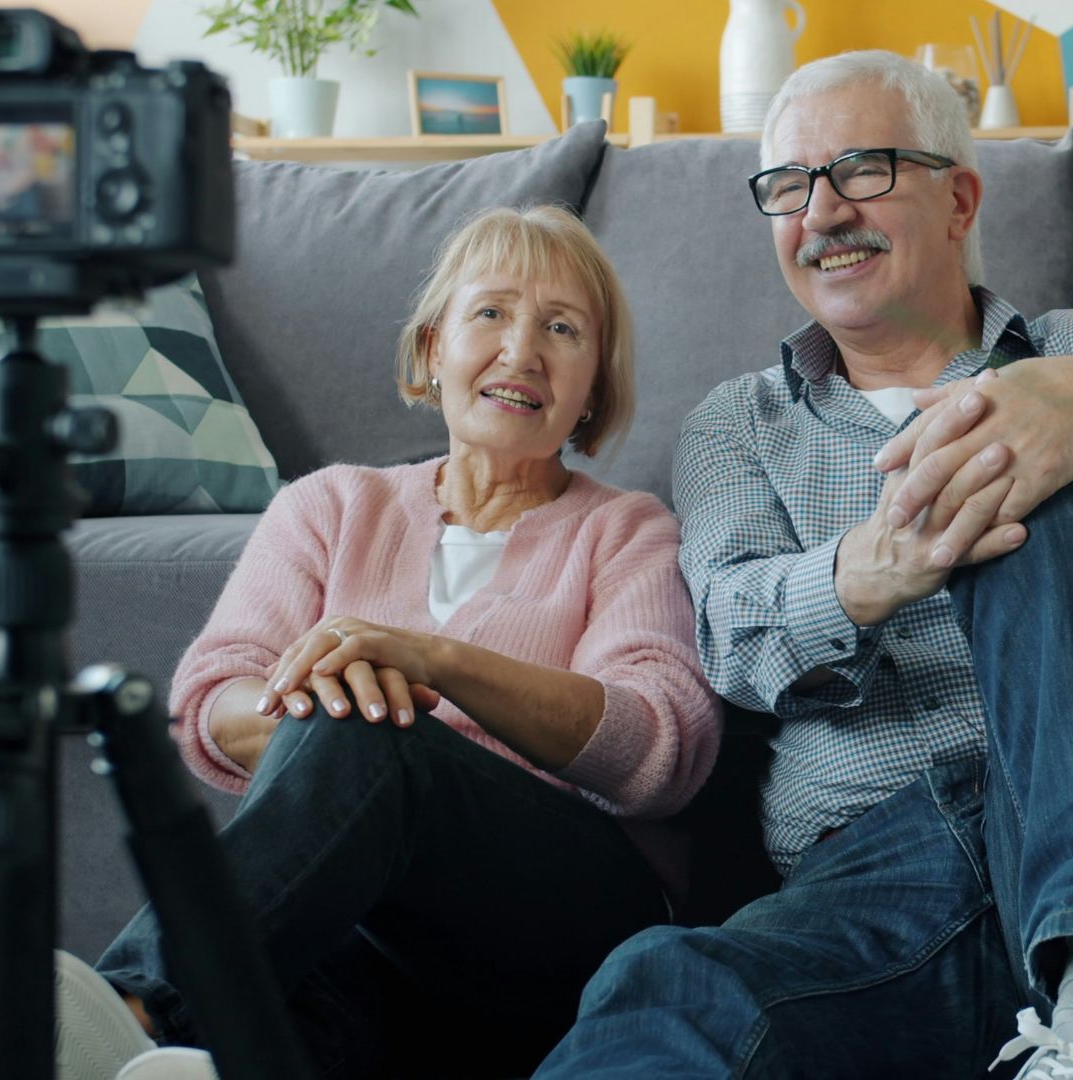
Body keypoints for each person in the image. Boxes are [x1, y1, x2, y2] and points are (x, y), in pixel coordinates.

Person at [532, 52, 1073, 1080]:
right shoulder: (735, 424)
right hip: (882, 882)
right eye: (790, 186)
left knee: (1036, 426)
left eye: (865, 168)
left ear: (960, 197)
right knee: (667, 986)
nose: (823, 211)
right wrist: (866, 573)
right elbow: (730, 640)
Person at [52, 205, 722, 1080]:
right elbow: (212, 703)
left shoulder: (626, 530)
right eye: (491, 314)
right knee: (292, 1001)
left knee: (365, 732)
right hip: (387, 939)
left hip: (566, 927)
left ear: (592, 387)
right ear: (433, 349)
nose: (523, 350)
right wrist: (346, 695)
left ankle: (136, 1007)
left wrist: (429, 665)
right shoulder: (331, 505)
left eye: (562, 329)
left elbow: (658, 749)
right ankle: (167, 1057)